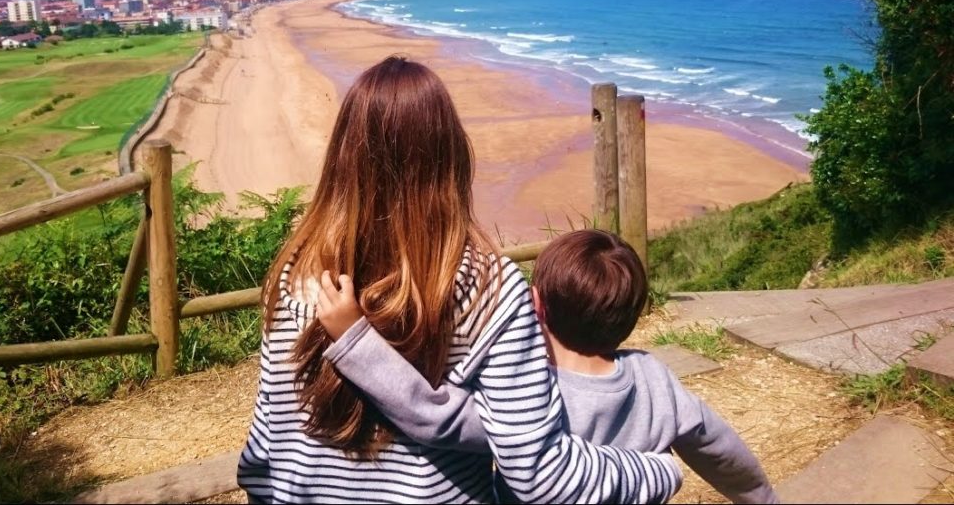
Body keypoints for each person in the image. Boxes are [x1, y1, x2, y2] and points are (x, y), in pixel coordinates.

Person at [236, 55, 682, 503]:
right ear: (452, 156)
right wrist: (657, 472)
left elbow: (264, 448)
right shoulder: (490, 290)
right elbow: (541, 476)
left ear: (343, 158)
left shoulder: (297, 274)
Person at [316, 229, 778, 504]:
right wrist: (761, 498)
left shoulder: (524, 392)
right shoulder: (656, 380)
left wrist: (358, 341)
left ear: (534, 305)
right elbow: (719, 447)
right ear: (633, 313)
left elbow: (431, 414)